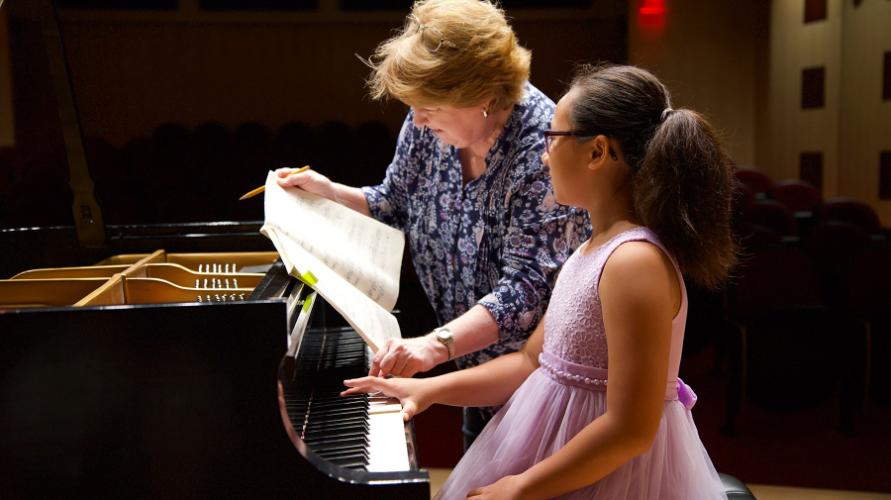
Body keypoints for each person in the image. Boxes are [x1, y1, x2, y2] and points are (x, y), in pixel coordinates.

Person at [342, 63, 736, 499]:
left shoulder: (633, 262)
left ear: (597, 152)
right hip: (557, 459)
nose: (544, 153)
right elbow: (531, 362)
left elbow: (630, 430)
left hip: (608, 479)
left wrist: (519, 488)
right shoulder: (590, 248)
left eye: (553, 138)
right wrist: (426, 390)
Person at [276, 0, 589, 447]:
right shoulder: (428, 125)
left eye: (430, 107)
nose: (417, 119)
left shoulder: (541, 147)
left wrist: (433, 345)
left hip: (536, 386)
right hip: (472, 375)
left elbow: (526, 290)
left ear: (480, 95)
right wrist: (329, 191)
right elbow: (392, 203)